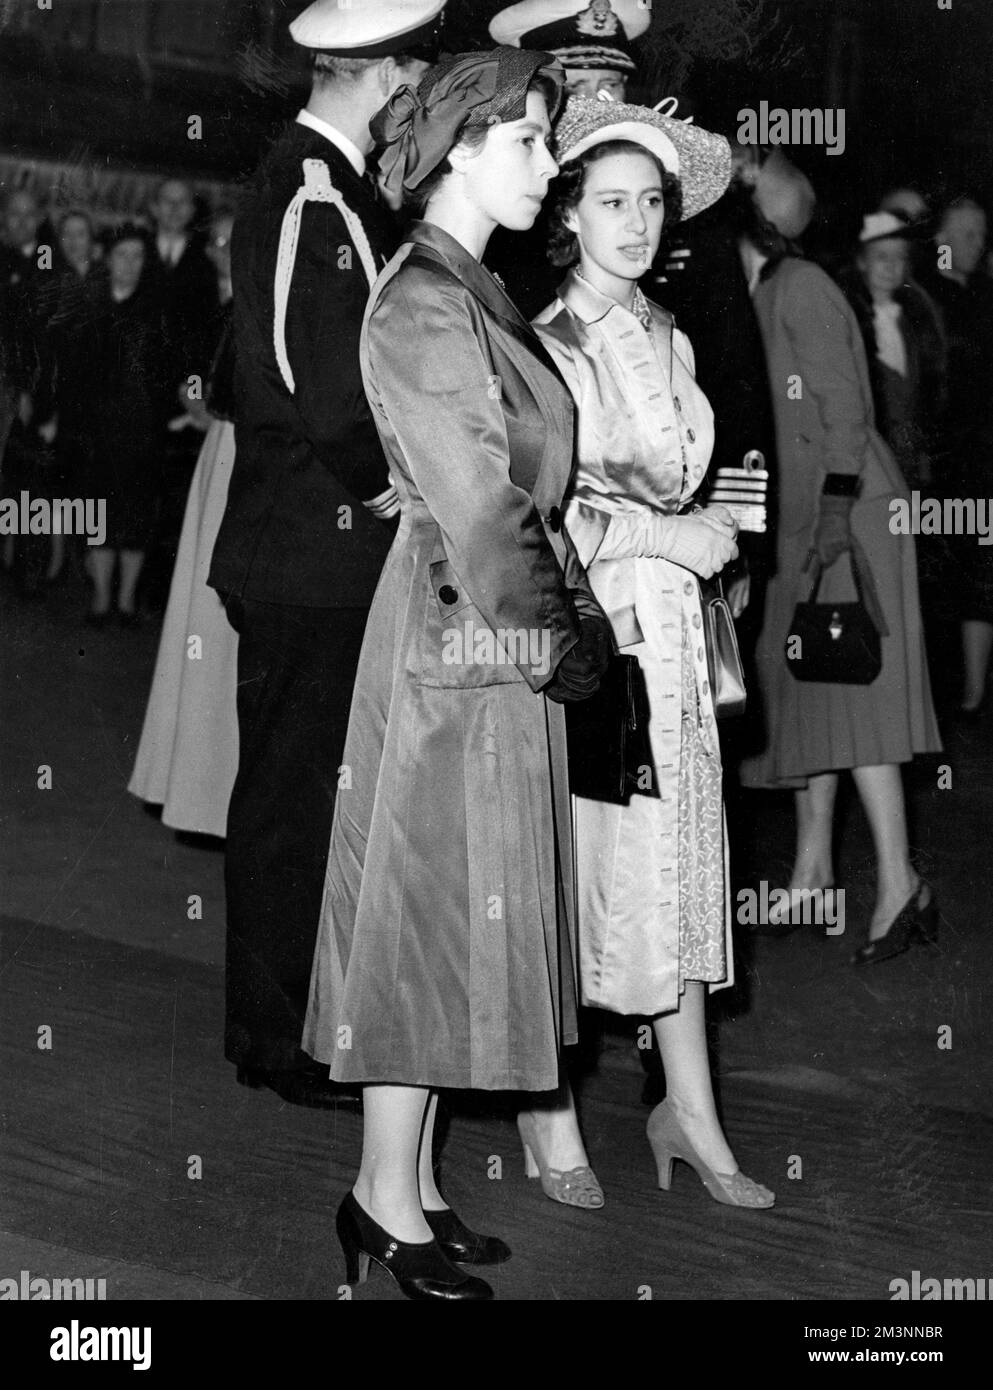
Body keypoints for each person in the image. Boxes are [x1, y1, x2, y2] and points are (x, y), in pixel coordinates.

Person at [302, 47, 612, 1300]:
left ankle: (415, 1182)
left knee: (445, 917)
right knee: (423, 921)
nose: (551, 164)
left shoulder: (466, 286)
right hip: (462, 644)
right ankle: (380, 1196)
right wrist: (565, 636)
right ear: (466, 150)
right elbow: (485, 511)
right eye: (532, 142)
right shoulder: (427, 300)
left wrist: (559, 619)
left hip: (486, 644)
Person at [528, 95, 773, 1210]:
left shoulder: (671, 332)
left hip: (677, 639)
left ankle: (692, 1111)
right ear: (567, 214)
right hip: (595, 645)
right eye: (610, 201)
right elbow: (539, 518)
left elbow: (678, 471)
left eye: (651, 202)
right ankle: (549, 1112)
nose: (635, 222)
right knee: (584, 876)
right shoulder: (543, 348)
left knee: (673, 873)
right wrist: (673, 533)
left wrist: (722, 523)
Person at [207, 0, 444, 1109]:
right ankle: (275, 1036)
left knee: (308, 789)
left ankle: (293, 1017)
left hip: (311, 549)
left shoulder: (329, 183)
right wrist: (395, 484)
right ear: (374, 71)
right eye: (412, 65)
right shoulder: (314, 187)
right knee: (294, 798)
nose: (417, 87)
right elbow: (323, 383)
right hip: (313, 554)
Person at [737, 171, 943, 965]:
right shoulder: (769, 288)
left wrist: (827, 518)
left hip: (847, 514)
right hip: (809, 517)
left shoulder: (800, 286)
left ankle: (898, 885)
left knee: (857, 700)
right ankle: (812, 873)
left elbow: (845, 412)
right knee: (814, 694)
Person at [128, 210, 240, 838]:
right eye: (218, 241)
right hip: (217, 453)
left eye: (233, 240)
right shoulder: (211, 304)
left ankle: (204, 790)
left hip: (234, 456)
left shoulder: (249, 305)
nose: (222, 250)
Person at [836, 212, 950, 687]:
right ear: (861, 262)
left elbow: (933, 395)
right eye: (881, 258)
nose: (891, 268)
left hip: (915, 470)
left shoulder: (919, 318)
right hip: (870, 471)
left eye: (899, 259)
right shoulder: (846, 318)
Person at [485, 0, 650, 319]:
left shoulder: (653, 181)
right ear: (542, 99)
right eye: (576, 88)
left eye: (609, 86)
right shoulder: (514, 195)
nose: (596, 105)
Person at [70, 224, 170, 625]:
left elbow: (168, 374)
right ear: (107, 259)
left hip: (140, 431)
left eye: (137, 257)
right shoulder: (88, 305)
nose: (128, 264)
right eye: (121, 255)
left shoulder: (156, 311)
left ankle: (126, 600)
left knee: (135, 517)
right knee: (99, 513)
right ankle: (99, 597)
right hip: (95, 430)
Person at [924, 197, 993, 718]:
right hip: (946, 462)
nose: (977, 244)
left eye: (980, 234)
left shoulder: (977, 297)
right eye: (966, 233)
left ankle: (970, 692)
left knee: (975, 573)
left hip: (977, 460)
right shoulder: (928, 301)